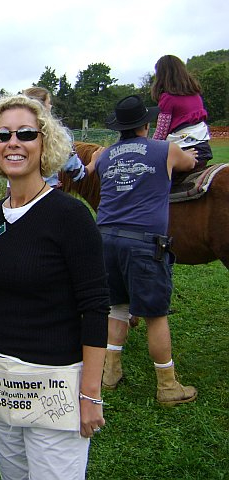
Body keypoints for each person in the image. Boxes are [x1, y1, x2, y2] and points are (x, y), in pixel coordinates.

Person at [0, 94, 109, 479]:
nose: (13, 142)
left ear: (45, 144)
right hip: (1, 385)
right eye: (3, 135)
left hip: (55, 387)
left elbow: (95, 306)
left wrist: (90, 394)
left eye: (26, 133)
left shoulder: (70, 216)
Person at [90, 95, 197, 406]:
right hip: (144, 242)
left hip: (106, 238)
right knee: (155, 315)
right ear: (146, 124)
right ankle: (167, 386)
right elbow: (190, 164)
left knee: (117, 308)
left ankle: (110, 374)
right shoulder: (165, 149)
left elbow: (92, 168)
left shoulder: (106, 156)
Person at [151, 54, 212, 182]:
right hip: (203, 150)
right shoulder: (196, 95)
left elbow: (161, 133)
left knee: (152, 177)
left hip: (183, 152)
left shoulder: (167, 98)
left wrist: (148, 148)